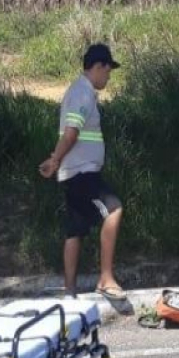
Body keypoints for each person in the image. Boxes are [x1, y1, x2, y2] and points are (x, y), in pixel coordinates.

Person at [39, 43, 125, 300]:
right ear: (98, 67)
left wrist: (56, 161)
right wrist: (55, 159)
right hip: (83, 172)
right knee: (114, 209)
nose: (108, 77)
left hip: (74, 171)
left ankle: (70, 292)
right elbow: (71, 133)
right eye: (108, 71)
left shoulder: (79, 91)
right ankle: (106, 278)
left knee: (75, 229)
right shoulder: (83, 92)